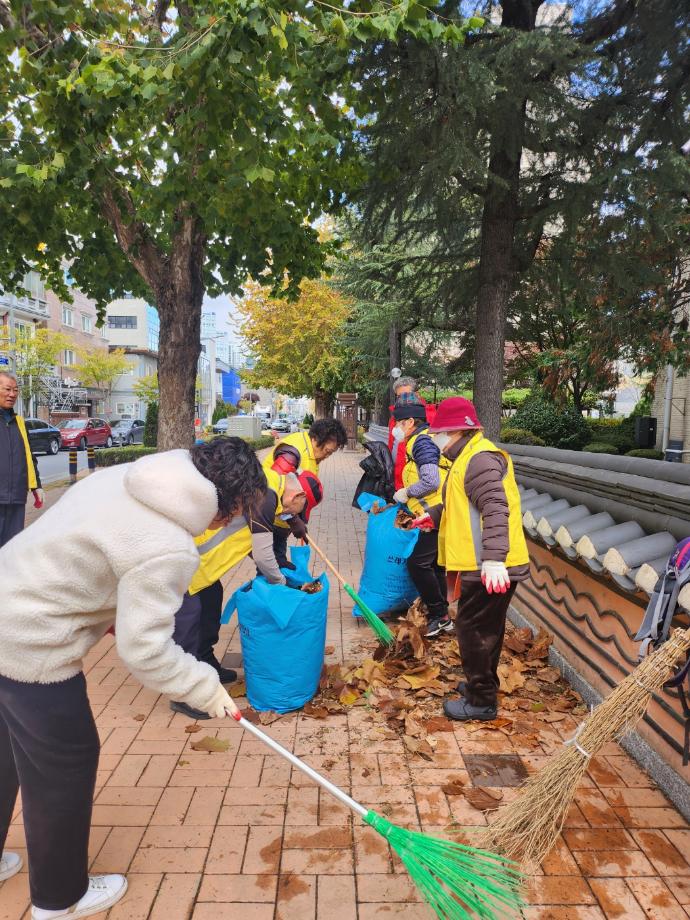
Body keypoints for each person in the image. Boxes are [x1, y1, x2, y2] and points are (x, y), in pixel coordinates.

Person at [0, 437, 265, 918]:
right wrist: (206, 689)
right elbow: (144, 651)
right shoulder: (168, 547)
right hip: (29, 644)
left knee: (7, 748)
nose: (230, 523)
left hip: (5, 597)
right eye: (238, 511)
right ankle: (59, 899)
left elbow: (86, 562)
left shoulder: (122, 480)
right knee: (64, 761)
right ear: (223, 502)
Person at [169, 467, 322, 719]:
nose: (292, 516)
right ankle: (183, 694)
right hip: (185, 560)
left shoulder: (272, 486)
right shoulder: (268, 495)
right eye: (298, 510)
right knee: (188, 623)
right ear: (296, 497)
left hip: (204, 567)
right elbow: (262, 554)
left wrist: (291, 530)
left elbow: (256, 535)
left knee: (210, 604)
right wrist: (279, 581)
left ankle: (207, 664)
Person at [423, 397, 530, 722]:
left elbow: (496, 508)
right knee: (485, 631)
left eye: (439, 432)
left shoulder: (479, 460)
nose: (436, 438)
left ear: (456, 429)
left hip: (489, 566)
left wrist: (494, 560)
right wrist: (433, 516)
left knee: (474, 632)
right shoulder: (466, 457)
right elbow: (463, 504)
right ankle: (478, 686)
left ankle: (482, 701)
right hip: (483, 563)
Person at [391, 394, 452, 638]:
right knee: (435, 565)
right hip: (439, 511)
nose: (395, 428)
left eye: (397, 423)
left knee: (417, 563)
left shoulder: (421, 443)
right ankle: (441, 614)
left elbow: (430, 480)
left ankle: (439, 614)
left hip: (434, 512)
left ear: (409, 422)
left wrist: (406, 492)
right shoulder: (429, 438)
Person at [264, 418, 345, 567]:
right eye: (327, 451)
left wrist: (300, 519)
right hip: (269, 520)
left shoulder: (312, 455)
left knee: (275, 565)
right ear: (316, 439)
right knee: (270, 568)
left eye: (330, 454)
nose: (326, 456)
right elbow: (273, 491)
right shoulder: (293, 452)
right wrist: (294, 520)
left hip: (282, 522)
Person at [0, 371, 43, 548]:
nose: (12, 394)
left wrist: (37, 485)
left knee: (11, 549)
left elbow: (29, 455)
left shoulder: (19, 422)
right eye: (7, 389)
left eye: (15, 390)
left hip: (17, 497)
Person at [387, 376, 436, 490]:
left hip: (417, 480)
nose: (403, 399)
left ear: (417, 394)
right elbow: (392, 443)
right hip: (398, 476)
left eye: (407, 394)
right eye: (399, 396)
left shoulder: (430, 415)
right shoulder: (395, 417)